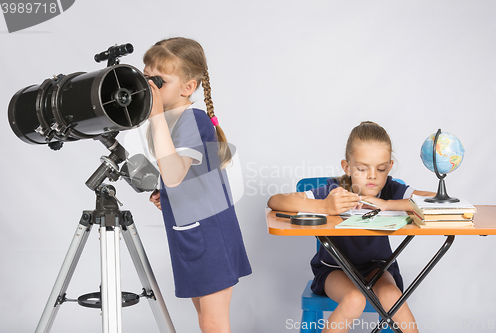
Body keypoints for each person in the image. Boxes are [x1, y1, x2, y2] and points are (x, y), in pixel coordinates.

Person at [268, 121, 434, 333]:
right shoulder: (336, 190)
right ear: (347, 167)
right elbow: (276, 201)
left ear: (390, 167)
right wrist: (324, 206)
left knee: (392, 297)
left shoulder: (391, 189)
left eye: (381, 169)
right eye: (362, 168)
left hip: (379, 266)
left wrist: (387, 204)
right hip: (334, 269)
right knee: (354, 300)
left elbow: (433, 200)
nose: (372, 175)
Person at [144, 37, 251, 333]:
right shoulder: (172, 122)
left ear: (187, 87)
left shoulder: (194, 120)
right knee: (205, 318)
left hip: (210, 238)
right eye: (145, 79)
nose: (149, 88)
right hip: (190, 235)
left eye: (158, 82)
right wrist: (165, 195)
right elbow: (178, 180)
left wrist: (155, 119)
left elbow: (175, 174)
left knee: (213, 321)